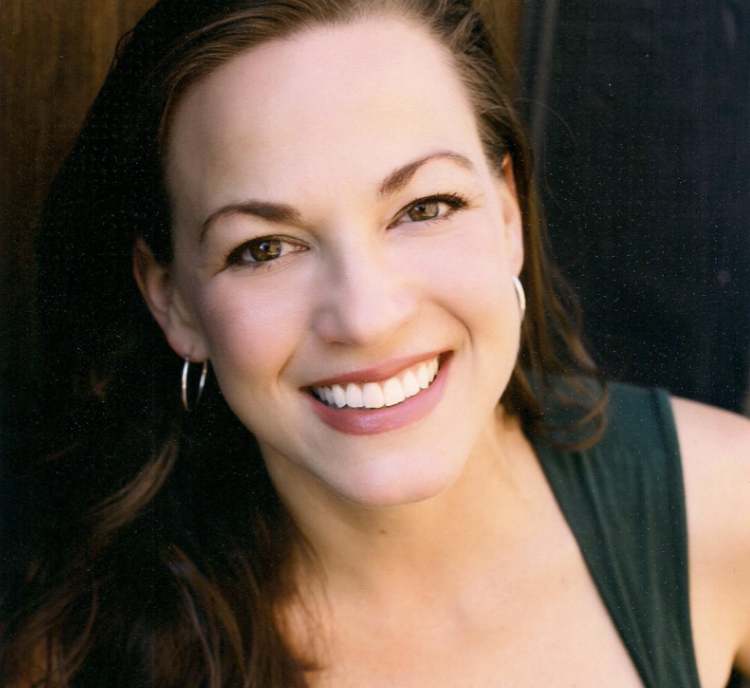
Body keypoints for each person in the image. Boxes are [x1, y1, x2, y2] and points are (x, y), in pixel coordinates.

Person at [2, 0, 749, 686]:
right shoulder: (72, 660)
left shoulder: (728, 508)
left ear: (507, 215)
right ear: (172, 299)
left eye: (425, 207)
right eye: (265, 248)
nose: (366, 317)